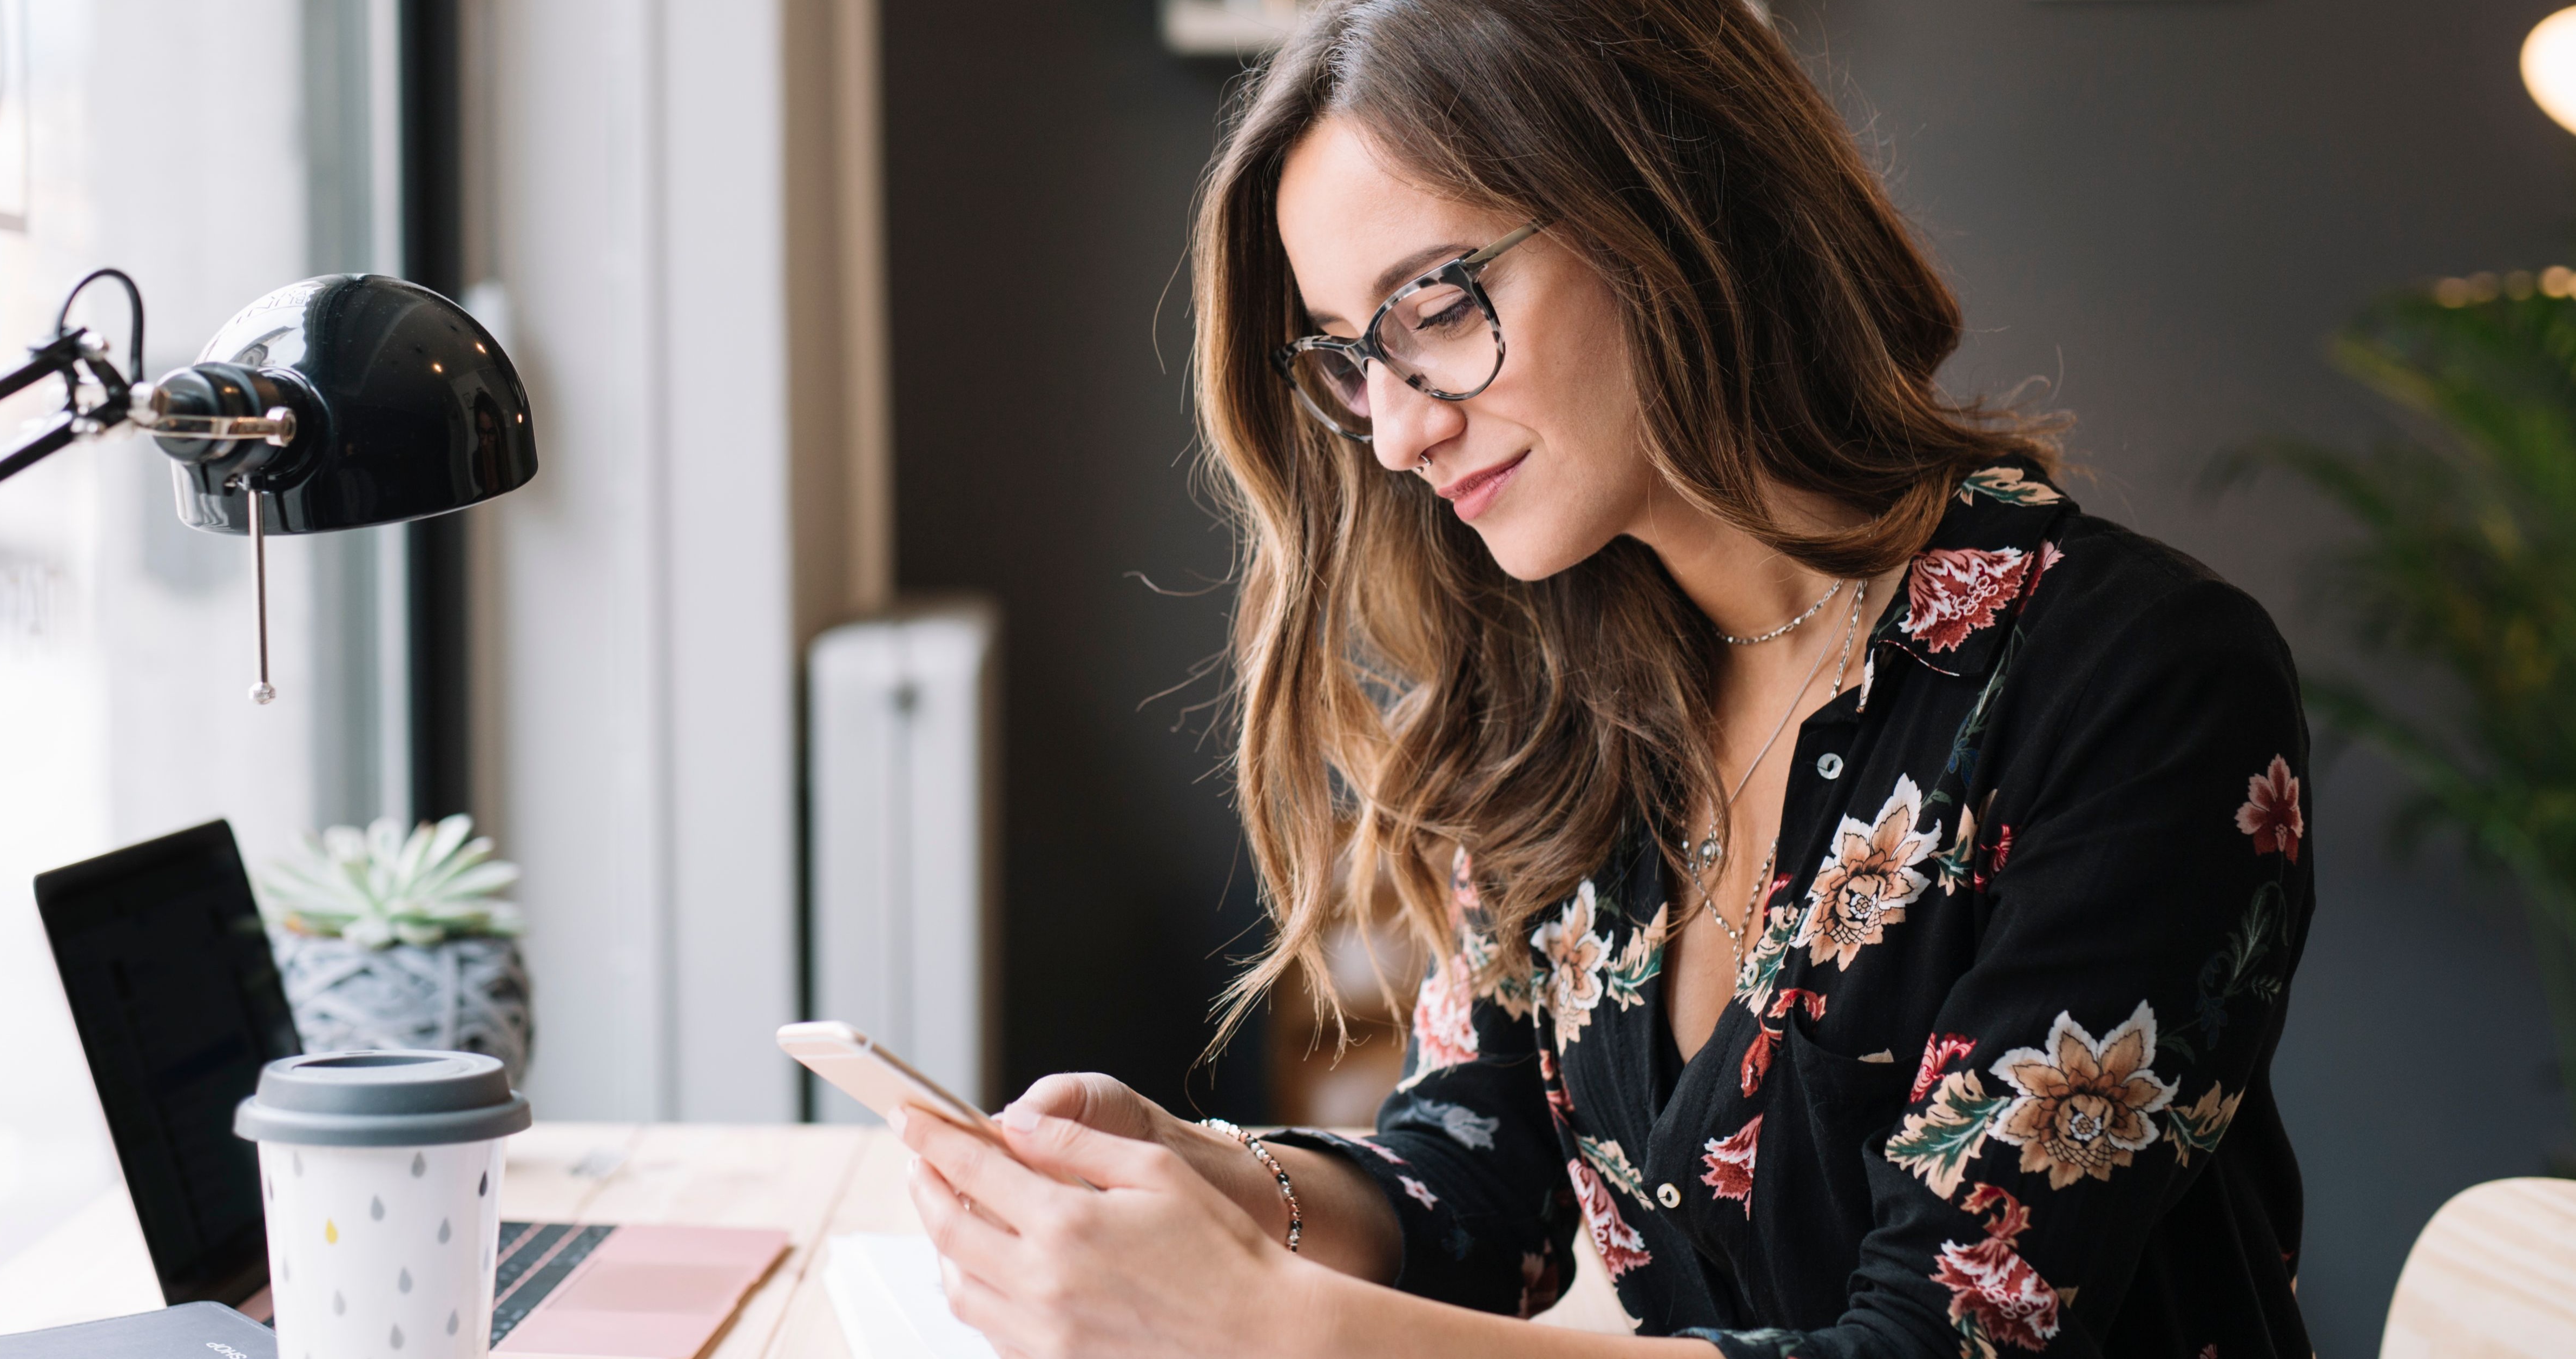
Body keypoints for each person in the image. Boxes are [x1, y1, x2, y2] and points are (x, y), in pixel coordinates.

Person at [893, 1, 2313, 1355]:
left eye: (1434, 307)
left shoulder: (2138, 686)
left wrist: (1268, 1330)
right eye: (1347, 356)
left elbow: (1944, 1344)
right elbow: (1471, 1192)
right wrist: (1218, 1179)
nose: (1390, 435)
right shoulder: (1548, 700)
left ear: (1672, 206)